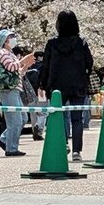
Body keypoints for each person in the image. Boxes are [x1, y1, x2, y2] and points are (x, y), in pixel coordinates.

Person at [39, 10, 94, 162]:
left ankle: (63, 145)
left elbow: (46, 65)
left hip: (57, 86)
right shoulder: (81, 43)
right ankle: (77, 151)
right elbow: (89, 62)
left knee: (59, 116)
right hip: (77, 85)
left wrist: (42, 84)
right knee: (77, 118)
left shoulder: (52, 43)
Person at [0, 30, 26, 158]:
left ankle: (4, 139)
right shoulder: (4, 53)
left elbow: (17, 72)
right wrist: (23, 61)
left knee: (22, 118)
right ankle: (11, 148)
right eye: (11, 37)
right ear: (5, 41)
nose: (13, 39)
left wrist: (25, 65)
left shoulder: (10, 53)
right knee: (15, 120)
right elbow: (11, 67)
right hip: (8, 90)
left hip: (14, 90)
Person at [23, 50, 46, 141]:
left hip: (30, 93)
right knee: (43, 112)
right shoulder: (43, 66)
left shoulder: (29, 66)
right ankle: (39, 129)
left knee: (33, 113)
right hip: (41, 91)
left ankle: (34, 130)